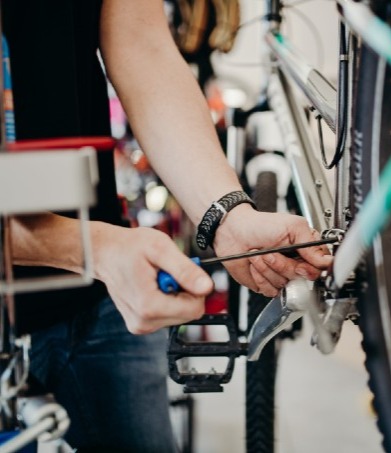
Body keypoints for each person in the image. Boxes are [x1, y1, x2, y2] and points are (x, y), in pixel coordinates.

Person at [3, 0, 332, 451]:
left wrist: (226, 216)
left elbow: (140, 42)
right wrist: (90, 248)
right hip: (98, 261)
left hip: (100, 294)